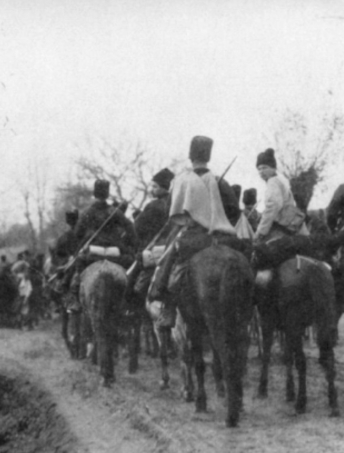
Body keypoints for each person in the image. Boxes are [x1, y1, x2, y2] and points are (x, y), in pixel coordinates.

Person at [148, 135, 240, 327]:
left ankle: (167, 307)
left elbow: (170, 211)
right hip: (221, 237)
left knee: (168, 260)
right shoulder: (220, 182)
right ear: (208, 156)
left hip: (193, 236)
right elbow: (234, 212)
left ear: (191, 156)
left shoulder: (181, 181)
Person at [65, 179, 138, 312]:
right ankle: (131, 300)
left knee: (78, 265)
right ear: (107, 194)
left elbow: (78, 233)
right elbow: (130, 229)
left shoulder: (87, 212)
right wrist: (130, 246)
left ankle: (74, 299)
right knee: (131, 265)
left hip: (94, 251)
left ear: (94, 193)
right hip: (114, 252)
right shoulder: (115, 212)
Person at [129, 167, 175, 299]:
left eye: (155, 186)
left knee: (129, 281)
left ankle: (131, 306)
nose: (152, 190)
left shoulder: (153, 205)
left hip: (152, 251)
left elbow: (136, 229)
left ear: (164, 188)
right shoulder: (176, 204)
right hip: (171, 248)